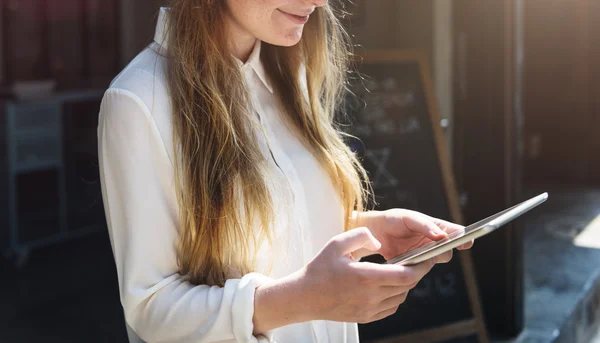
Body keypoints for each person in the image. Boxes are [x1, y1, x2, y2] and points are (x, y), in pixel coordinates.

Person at [97, 1, 473, 342]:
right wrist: (303, 299)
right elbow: (150, 308)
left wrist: (369, 228)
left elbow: (270, 224)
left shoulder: (288, 73)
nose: (321, 2)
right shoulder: (139, 101)